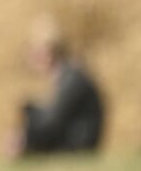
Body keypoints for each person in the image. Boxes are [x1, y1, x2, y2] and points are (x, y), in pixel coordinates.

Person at [9, 18, 104, 157]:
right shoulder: (67, 75)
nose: (33, 59)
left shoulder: (73, 78)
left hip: (78, 147)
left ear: (50, 53)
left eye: (37, 53)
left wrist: (25, 140)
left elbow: (53, 121)